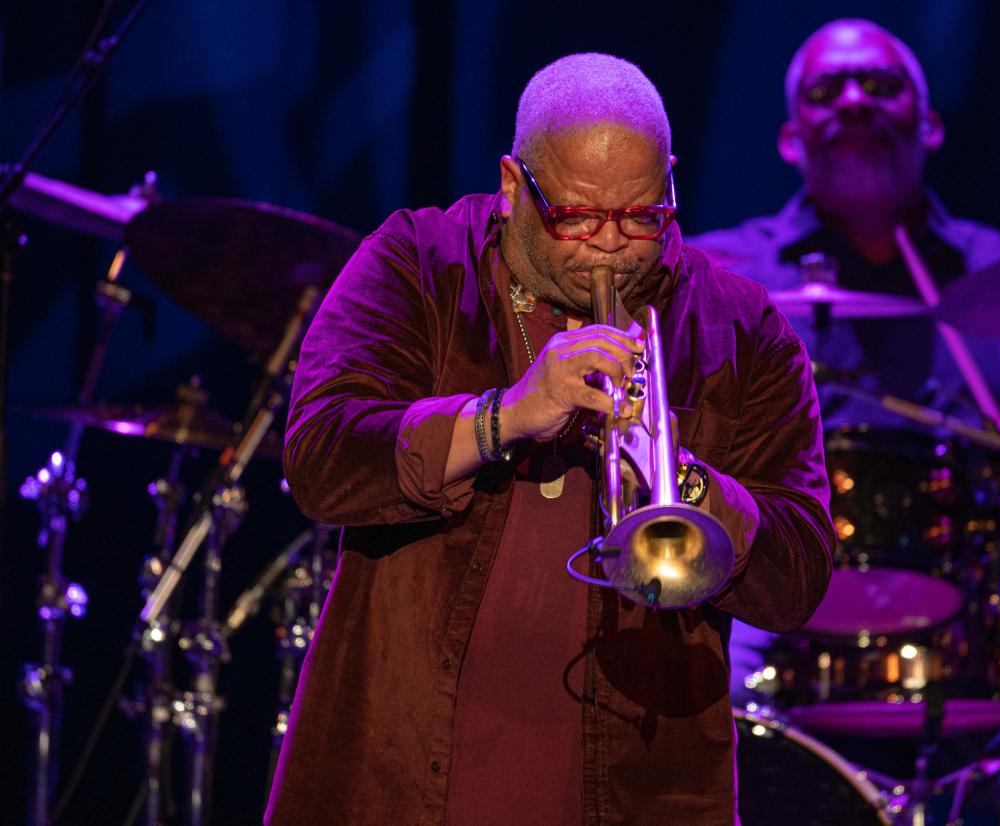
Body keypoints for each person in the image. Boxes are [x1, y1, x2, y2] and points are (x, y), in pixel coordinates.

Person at [264, 53, 833, 825]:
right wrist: (506, 414)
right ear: (512, 187)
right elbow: (323, 461)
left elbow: (797, 577)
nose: (609, 247)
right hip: (403, 780)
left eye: (641, 217)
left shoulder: (740, 326)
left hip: (640, 791)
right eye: (575, 217)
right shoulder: (418, 264)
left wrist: (677, 474)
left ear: (669, 183)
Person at [690, 18, 1000, 825]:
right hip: (779, 613)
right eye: (826, 91)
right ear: (790, 139)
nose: (855, 101)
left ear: (930, 125)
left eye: (881, 84)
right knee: (698, 711)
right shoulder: (720, 276)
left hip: (984, 621)